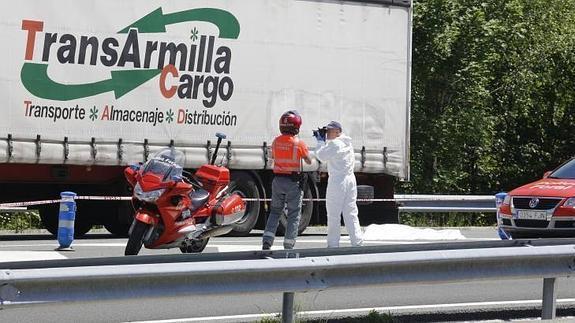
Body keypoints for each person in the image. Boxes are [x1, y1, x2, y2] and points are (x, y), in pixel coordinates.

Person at [262, 110, 312, 250]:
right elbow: (308, 161)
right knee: (294, 214)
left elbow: (273, 157)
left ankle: (267, 240)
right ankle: (288, 245)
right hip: (293, 182)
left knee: (275, 211)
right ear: (296, 127)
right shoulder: (299, 143)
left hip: (277, 181)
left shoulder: (276, 141)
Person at [314, 121, 363, 247]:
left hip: (338, 181)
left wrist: (320, 142)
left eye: (330, 130)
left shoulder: (336, 143)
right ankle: (357, 243)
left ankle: (333, 244)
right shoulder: (347, 142)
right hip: (350, 179)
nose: (328, 133)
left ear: (338, 131)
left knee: (333, 214)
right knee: (351, 213)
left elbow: (321, 156)